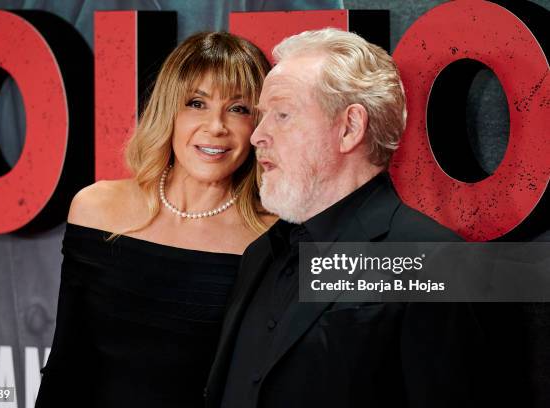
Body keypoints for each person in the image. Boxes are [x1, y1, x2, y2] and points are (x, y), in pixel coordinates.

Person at [205, 28, 489, 408]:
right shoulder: (260, 254)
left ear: (350, 128)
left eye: (283, 115)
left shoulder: (435, 263)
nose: (257, 136)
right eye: (261, 117)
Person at [35, 31, 273, 408]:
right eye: (197, 103)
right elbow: (68, 359)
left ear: (259, 126)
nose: (216, 126)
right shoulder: (96, 207)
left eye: (239, 109)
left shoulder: (274, 236)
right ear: (169, 111)